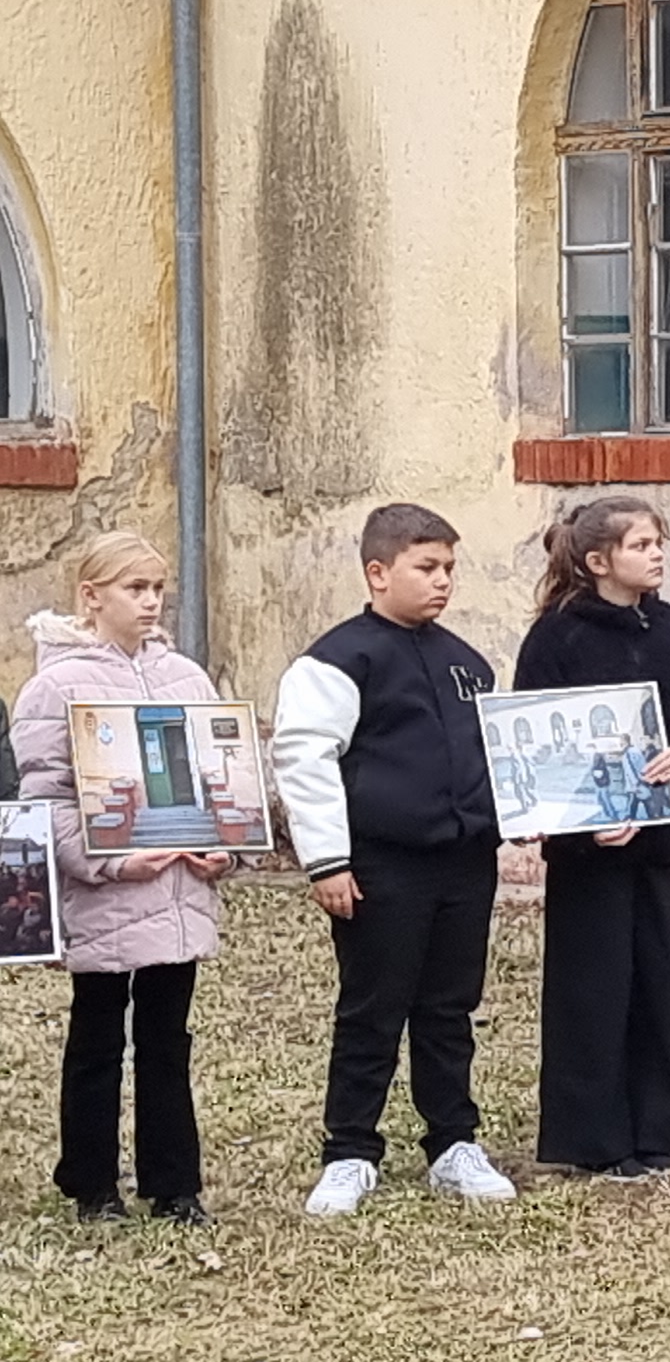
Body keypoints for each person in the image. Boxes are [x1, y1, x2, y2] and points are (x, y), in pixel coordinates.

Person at [269, 504, 520, 1217]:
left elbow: (493, 754)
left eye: (449, 568)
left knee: (450, 1008)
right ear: (378, 573)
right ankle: (350, 1150)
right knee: (373, 1009)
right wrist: (328, 861)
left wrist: (515, 815)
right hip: (382, 865)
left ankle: (453, 1143)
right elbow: (306, 759)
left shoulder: (467, 663)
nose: (443, 582)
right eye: (426, 567)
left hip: (465, 860)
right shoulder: (336, 662)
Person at [13, 533, 232, 1223]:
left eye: (157, 588)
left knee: (168, 1037)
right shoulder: (55, 687)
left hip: (175, 887)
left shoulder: (185, 678)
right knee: (98, 1037)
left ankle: (174, 1185)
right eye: (134, 588)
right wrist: (108, 862)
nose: (150, 602)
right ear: (92, 596)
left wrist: (224, 849)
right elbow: (48, 799)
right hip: (108, 892)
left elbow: (219, 780)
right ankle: (92, 1184)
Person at [516, 496, 670, 1179]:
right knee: (591, 992)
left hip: (659, 847)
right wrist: (584, 821)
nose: (657, 554)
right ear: (598, 561)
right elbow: (531, 747)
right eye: (641, 545)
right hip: (589, 856)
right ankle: (592, 1140)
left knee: (657, 987)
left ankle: (656, 1134)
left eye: (658, 542)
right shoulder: (556, 638)